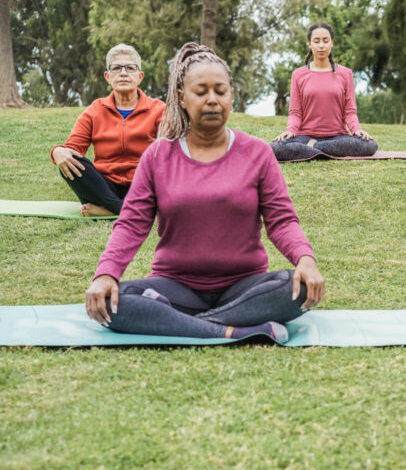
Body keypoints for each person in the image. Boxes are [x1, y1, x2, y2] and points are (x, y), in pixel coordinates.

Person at [85, 43, 325, 342]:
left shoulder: (258, 153)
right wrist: (106, 273)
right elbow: (131, 224)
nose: (212, 99)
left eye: (220, 91)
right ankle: (235, 330)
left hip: (245, 286)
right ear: (182, 98)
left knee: (297, 287)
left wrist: (305, 259)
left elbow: (282, 221)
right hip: (176, 286)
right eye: (201, 92)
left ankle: (179, 323)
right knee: (111, 300)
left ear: (231, 96)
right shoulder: (158, 155)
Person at [50, 44, 165, 216]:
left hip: (142, 184)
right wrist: (57, 152)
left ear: (140, 76)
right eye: (116, 68)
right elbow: (72, 149)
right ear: (108, 76)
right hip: (104, 188)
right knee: (69, 161)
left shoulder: (159, 110)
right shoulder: (94, 110)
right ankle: (121, 208)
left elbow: (172, 150)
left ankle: (110, 210)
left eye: (130, 68)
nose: (123, 73)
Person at [271, 22, 377, 162]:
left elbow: (349, 111)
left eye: (325, 41)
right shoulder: (298, 74)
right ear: (310, 44)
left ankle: (315, 148)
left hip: (337, 137)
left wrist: (357, 130)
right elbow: (295, 112)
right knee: (275, 147)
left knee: (369, 145)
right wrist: (290, 131)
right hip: (305, 136)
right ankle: (322, 150)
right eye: (316, 41)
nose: (321, 45)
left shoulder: (346, 74)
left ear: (332, 43)